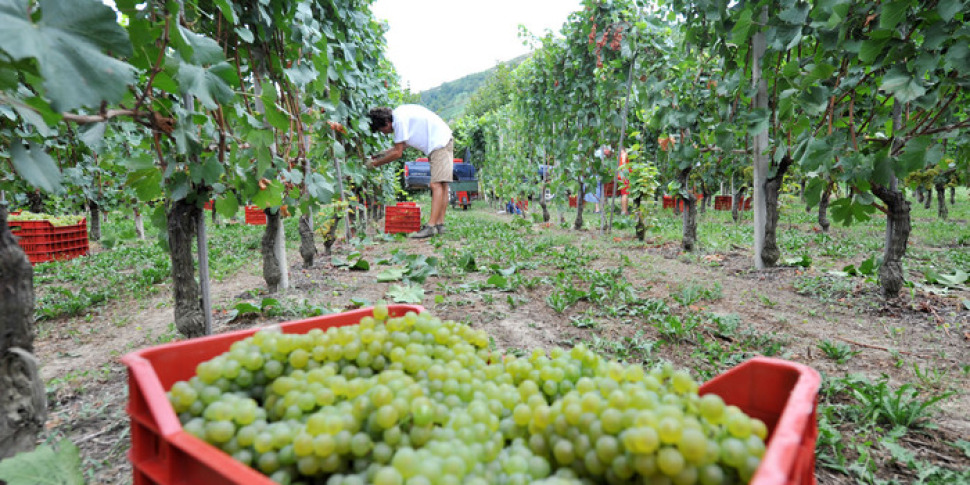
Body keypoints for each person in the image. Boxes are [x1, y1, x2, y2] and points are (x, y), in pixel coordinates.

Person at [366, 105, 453, 238]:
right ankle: (439, 224)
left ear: (387, 123)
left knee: (436, 185)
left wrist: (375, 164)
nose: (383, 133)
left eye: (381, 129)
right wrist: (382, 154)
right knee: (442, 185)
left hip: (439, 143)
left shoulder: (399, 122)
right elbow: (403, 144)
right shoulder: (400, 115)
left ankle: (430, 227)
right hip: (441, 139)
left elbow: (398, 153)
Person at [617, 149, 630, 215]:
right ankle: (624, 211)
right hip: (624, 176)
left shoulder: (618, 154)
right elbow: (623, 161)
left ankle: (624, 210)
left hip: (619, 176)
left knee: (623, 193)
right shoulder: (624, 153)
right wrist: (624, 170)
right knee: (625, 194)